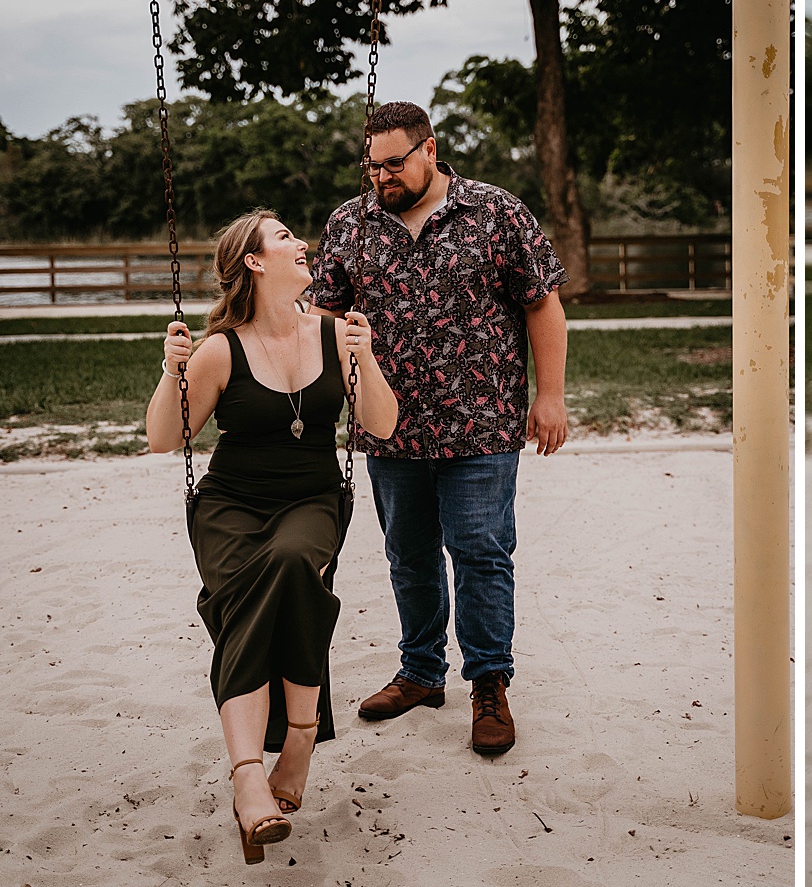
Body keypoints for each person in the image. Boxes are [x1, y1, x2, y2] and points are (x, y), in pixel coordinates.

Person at [308, 100, 570, 757]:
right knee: (408, 554)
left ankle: (489, 684)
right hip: (387, 428)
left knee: (481, 551)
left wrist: (551, 396)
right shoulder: (350, 223)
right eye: (372, 166)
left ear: (430, 149)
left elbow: (542, 306)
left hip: (482, 420)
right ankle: (422, 672)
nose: (381, 177)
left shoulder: (495, 212)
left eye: (393, 163)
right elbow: (321, 319)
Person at [147, 209, 398, 864]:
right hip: (230, 505)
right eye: (284, 237)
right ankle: (251, 777)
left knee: (289, 561)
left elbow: (382, 424)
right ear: (254, 262)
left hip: (312, 499)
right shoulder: (219, 350)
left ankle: (298, 739)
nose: (301, 243)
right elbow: (164, 438)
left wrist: (365, 357)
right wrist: (171, 371)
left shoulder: (335, 334)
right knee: (257, 595)